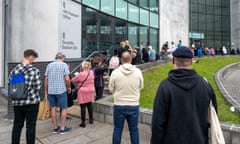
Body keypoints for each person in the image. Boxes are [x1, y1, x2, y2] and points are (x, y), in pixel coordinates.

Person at [151, 46, 218, 144]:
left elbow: (157, 123)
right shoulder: (205, 85)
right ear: (191, 61)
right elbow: (212, 115)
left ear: (173, 61)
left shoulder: (164, 87)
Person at [109, 51, 144, 144]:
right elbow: (141, 86)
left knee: (117, 129)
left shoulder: (115, 73)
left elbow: (111, 88)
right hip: (133, 105)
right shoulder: (138, 72)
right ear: (131, 59)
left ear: (121, 60)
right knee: (134, 130)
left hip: (119, 105)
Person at [10, 49, 41, 144]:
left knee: (17, 125)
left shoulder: (14, 70)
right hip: (31, 102)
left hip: (17, 102)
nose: (33, 61)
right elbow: (37, 86)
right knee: (30, 126)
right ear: (30, 57)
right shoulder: (34, 70)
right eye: (33, 59)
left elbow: (10, 84)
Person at [44, 52, 72, 134]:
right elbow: (67, 79)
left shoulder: (49, 65)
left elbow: (46, 79)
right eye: (64, 58)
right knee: (64, 108)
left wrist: (46, 91)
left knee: (53, 108)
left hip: (51, 91)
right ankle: (63, 128)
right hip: (61, 91)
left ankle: (55, 128)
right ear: (62, 57)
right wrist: (69, 87)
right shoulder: (64, 65)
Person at [71, 61, 95, 128]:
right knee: (90, 105)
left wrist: (76, 75)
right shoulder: (92, 73)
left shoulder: (81, 74)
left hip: (83, 91)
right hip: (91, 90)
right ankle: (91, 119)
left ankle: (83, 122)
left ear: (83, 66)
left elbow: (73, 80)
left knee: (83, 106)